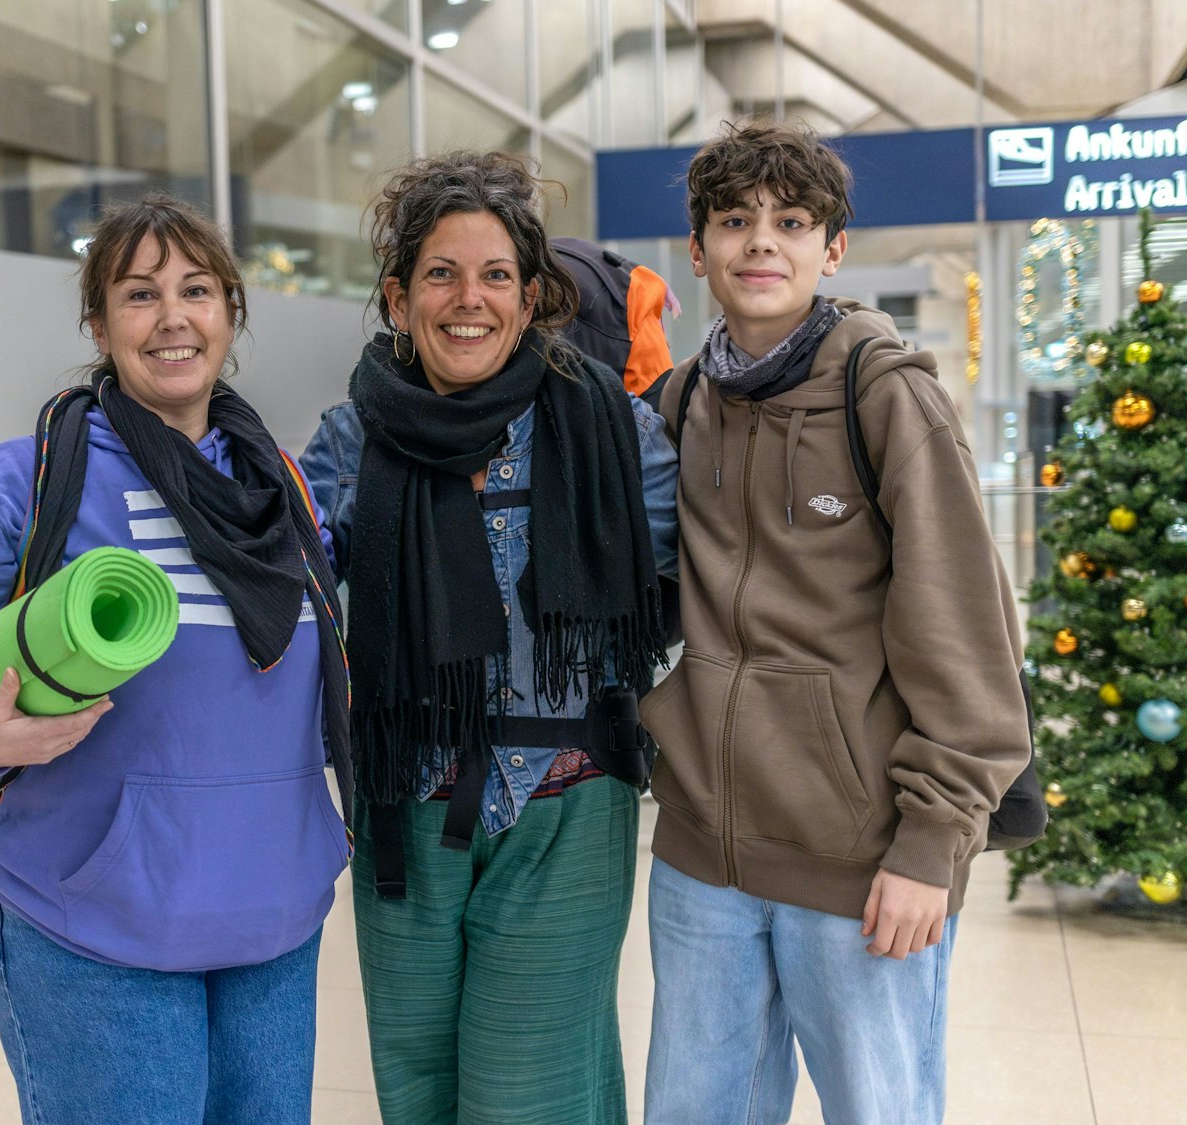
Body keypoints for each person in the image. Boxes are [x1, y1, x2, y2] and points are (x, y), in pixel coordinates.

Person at [0, 194, 350, 1125]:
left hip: (274, 917)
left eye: (196, 290)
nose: (172, 319)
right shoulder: (22, 481)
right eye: (139, 294)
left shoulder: (285, 493)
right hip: (95, 924)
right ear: (98, 321)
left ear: (231, 312)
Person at [639, 120, 1028, 1125]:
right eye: (733, 221)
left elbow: (966, 631)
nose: (760, 242)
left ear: (830, 249)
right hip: (699, 863)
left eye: (789, 221)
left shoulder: (884, 395)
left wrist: (929, 845)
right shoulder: (678, 405)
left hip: (858, 862)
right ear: (697, 249)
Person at [299, 150, 678, 1125]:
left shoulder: (611, 433)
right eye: (440, 273)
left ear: (529, 295)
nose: (468, 299)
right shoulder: (346, 444)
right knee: (415, 1089)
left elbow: (695, 597)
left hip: (565, 803)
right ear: (397, 295)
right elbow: (288, 615)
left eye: (495, 275)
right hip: (403, 814)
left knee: (532, 1098)